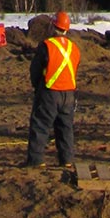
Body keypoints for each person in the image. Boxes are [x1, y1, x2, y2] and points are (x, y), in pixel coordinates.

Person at [24, 10, 79, 167]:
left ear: (53, 26)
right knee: (65, 128)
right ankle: (67, 160)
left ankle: (36, 161)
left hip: (50, 92)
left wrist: (37, 87)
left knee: (40, 126)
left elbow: (35, 70)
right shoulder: (74, 48)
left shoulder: (46, 46)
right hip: (69, 94)